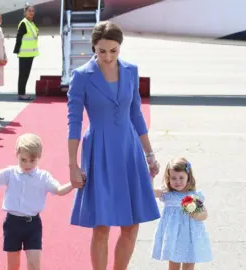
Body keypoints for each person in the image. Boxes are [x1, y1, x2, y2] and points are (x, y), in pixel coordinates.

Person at [66, 21, 161, 270]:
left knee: (131, 226)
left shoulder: (131, 70)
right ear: (93, 48)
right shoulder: (82, 76)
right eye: (102, 51)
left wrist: (149, 153)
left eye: (113, 50)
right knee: (102, 226)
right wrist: (72, 165)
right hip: (99, 151)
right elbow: (74, 123)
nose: (108, 57)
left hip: (130, 151)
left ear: (120, 47)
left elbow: (136, 115)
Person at [0, 133, 77, 270]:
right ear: (16, 154)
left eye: (32, 160)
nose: (27, 164)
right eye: (23, 160)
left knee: (34, 264)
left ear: (39, 157)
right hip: (12, 224)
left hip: (33, 225)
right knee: (13, 266)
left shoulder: (43, 177)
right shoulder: (9, 173)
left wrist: (74, 183)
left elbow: (59, 190)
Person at [152, 157, 212, 270]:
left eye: (181, 178)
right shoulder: (167, 194)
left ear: (188, 177)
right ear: (168, 179)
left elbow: (204, 214)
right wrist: (151, 176)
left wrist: (196, 214)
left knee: (189, 263)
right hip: (173, 234)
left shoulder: (194, 195)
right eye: (173, 178)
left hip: (190, 235)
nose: (177, 181)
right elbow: (149, 192)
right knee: (174, 262)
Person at [13, 3, 38, 101]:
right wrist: (17, 50)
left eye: (33, 11)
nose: (31, 13)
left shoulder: (31, 23)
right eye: (29, 11)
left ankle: (22, 93)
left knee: (26, 74)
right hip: (24, 53)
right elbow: (19, 38)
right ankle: (21, 93)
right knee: (23, 74)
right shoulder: (24, 23)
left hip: (30, 53)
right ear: (25, 12)